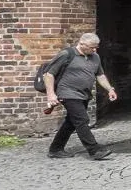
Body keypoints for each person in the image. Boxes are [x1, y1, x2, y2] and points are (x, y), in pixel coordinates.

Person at [44, 32, 118, 161]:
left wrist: (110, 89)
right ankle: (94, 150)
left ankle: (55, 149)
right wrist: (51, 94)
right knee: (82, 120)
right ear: (82, 43)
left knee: (71, 122)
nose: (94, 50)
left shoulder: (95, 57)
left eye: (96, 47)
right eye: (91, 47)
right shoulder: (66, 54)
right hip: (68, 93)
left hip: (84, 94)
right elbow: (49, 74)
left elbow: (100, 75)